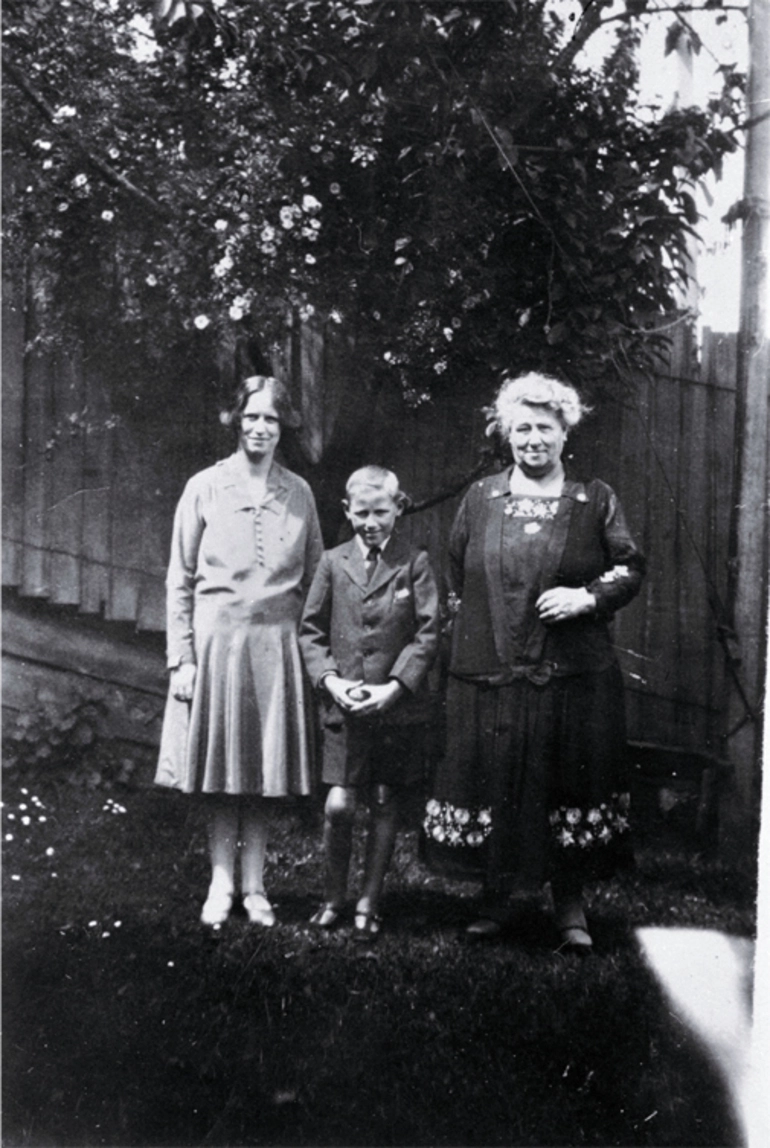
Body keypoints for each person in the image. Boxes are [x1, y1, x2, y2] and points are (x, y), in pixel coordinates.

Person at [423, 373, 644, 950]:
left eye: (545, 427)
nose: (533, 439)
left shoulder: (594, 500)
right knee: (495, 779)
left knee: (564, 783)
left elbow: (629, 567)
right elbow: (455, 577)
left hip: (569, 675)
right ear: (507, 433)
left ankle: (570, 909)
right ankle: (494, 902)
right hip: (491, 674)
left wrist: (587, 598)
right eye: (522, 427)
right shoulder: (482, 498)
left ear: (565, 431)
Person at [155, 375, 323, 927]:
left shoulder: (298, 492)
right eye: (250, 417)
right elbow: (179, 578)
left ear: (284, 427)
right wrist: (181, 658)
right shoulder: (204, 487)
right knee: (221, 772)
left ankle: (256, 887)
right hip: (215, 646)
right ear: (235, 421)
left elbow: (317, 578)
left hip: (277, 647)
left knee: (264, 771)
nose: (259, 427)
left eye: (270, 419)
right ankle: (221, 884)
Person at [299, 466, 439, 940]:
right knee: (339, 805)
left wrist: (396, 687)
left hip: (394, 710)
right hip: (345, 706)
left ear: (398, 509)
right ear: (347, 511)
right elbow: (310, 632)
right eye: (362, 513)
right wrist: (331, 682)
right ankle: (333, 895)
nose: (371, 521)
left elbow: (427, 634)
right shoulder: (333, 562)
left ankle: (368, 901)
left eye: (381, 511)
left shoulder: (413, 562)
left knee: (383, 799)